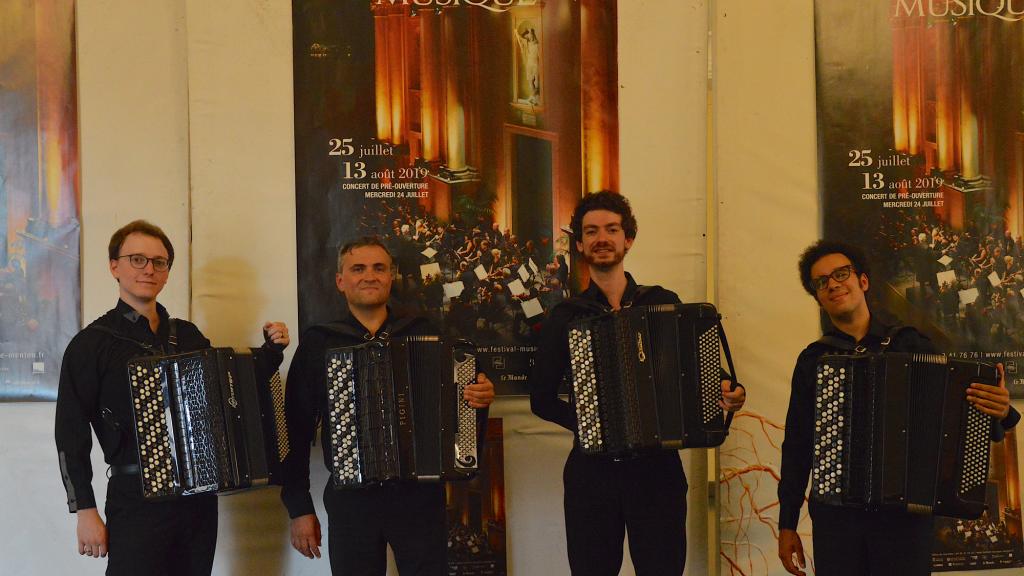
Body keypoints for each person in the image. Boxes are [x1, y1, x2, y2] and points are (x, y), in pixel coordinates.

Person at [54, 219, 289, 575]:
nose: (148, 269)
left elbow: (227, 387)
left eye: (158, 262)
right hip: (135, 499)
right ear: (114, 266)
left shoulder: (188, 335)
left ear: (166, 273)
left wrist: (272, 351)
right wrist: (84, 510)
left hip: (198, 500)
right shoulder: (91, 344)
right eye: (137, 259)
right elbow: (70, 432)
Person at [529, 191, 746, 575]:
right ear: (579, 244)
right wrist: (593, 425)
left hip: (657, 472)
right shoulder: (565, 316)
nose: (602, 238)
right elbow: (542, 400)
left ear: (627, 239)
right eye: (591, 231)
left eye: (612, 229)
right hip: (592, 475)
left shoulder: (662, 301)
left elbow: (698, 373)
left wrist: (727, 391)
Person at [777, 239, 1021, 576]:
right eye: (821, 282)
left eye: (840, 274)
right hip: (837, 522)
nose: (832, 284)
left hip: (904, 520)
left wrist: (1001, 410)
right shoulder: (814, 360)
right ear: (818, 297)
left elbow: (960, 412)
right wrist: (787, 524)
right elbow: (797, 445)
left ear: (862, 281)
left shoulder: (911, 343)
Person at [281, 236, 496, 575]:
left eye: (379, 268)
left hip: (420, 498)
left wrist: (480, 397)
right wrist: (299, 508)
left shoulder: (425, 332)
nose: (370, 276)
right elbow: (293, 430)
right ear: (341, 281)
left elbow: (468, 397)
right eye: (358, 268)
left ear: (391, 276)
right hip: (351, 501)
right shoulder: (319, 342)